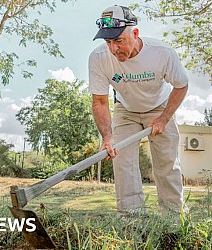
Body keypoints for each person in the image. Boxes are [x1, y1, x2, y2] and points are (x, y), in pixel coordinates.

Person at [88, 5, 189, 219]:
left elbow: (181, 86)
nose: (114, 49)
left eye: (119, 41)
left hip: (160, 107)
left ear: (135, 34)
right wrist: (108, 136)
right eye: (108, 43)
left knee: (167, 164)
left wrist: (164, 118)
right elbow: (99, 101)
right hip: (125, 110)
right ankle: (131, 221)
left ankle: (174, 220)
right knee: (123, 163)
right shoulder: (98, 58)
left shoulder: (162, 53)